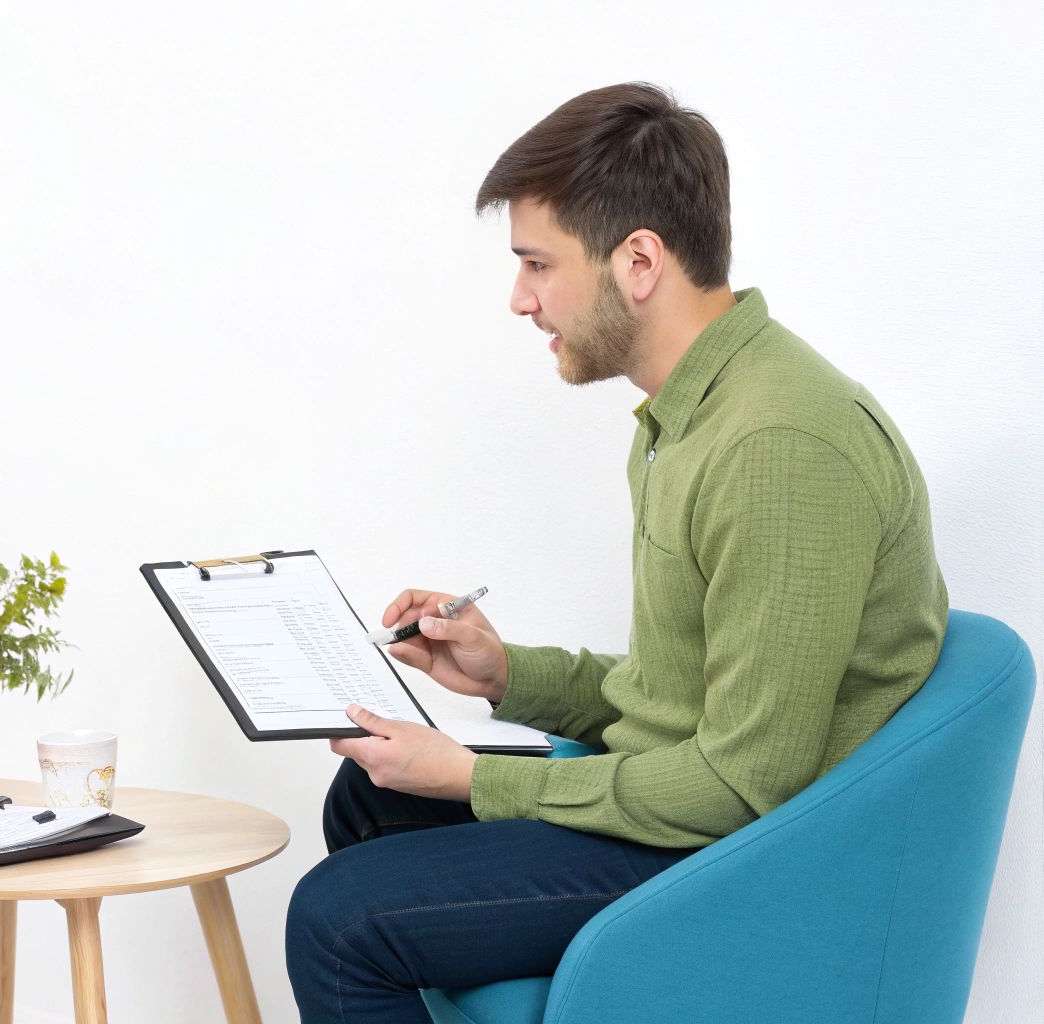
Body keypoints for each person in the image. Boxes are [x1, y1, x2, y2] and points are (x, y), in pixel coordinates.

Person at [285, 82, 949, 1021]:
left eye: (537, 265)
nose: (520, 300)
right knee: (367, 798)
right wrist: (506, 673)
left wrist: (476, 774)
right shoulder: (685, 417)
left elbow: (739, 781)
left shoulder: (779, 446)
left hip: (743, 857)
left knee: (338, 919)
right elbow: (678, 698)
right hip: (695, 808)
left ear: (639, 260)